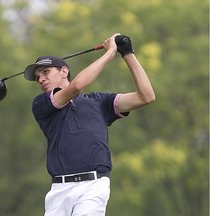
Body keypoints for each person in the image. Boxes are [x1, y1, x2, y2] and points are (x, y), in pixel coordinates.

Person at [23, 33, 155, 216]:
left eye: (45, 72)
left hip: (93, 186)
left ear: (64, 71)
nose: (41, 79)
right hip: (59, 192)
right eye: (37, 77)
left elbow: (146, 96)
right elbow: (77, 86)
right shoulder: (41, 104)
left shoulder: (99, 102)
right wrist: (109, 54)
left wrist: (127, 53)